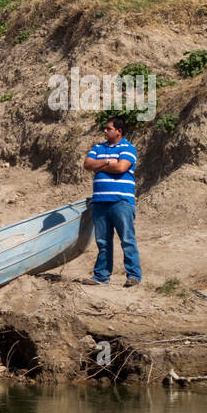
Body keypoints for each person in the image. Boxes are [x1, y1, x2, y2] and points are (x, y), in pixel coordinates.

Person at [83, 116, 142, 286]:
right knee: (102, 241)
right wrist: (109, 161)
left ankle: (133, 276)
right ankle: (101, 276)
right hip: (100, 201)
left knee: (127, 239)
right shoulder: (97, 147)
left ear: (119, 131)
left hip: (121, 201)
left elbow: (121, 167)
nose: (105, 131)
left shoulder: (128, 148)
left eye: (108, 129)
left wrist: (99, 164)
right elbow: (87, 164)